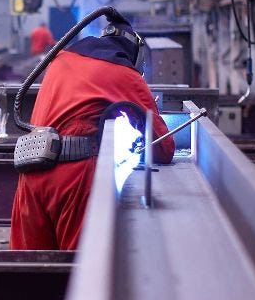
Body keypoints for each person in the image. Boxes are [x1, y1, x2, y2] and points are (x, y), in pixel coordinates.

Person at [10, 22, 175, 250]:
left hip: (31, 173)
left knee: (29, 275)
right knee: (80, 274)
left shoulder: (61, 60)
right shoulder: (125, 74)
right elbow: (164, 148)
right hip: (73, 178)